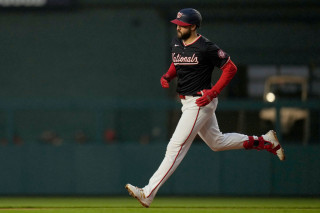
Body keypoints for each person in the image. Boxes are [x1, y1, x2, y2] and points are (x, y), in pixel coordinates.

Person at [125, 8, 285, 208]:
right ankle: (265, 141)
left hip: (200, 102)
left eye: (182, 25)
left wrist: (214, 92)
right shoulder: (176, 42)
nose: (178, 27)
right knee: (217, 142)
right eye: (177, 24)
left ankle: (147, 193)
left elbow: (230, 68)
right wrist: (168, 75)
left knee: (175, 147)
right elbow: (178, 62)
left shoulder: (206, 47)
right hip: (186, 102)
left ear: (193, 26)